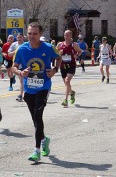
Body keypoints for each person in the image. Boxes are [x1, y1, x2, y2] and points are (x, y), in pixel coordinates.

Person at [12, 22, 62, 162]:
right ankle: (44, 139)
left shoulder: (48, 47)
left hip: (43, 87)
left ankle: (37, 150)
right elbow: (14, 67)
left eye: (35, 34)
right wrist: (21, 72)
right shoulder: (21, 49)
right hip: (28, 89)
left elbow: (58, 58)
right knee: (35, 119)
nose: (32, 36)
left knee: (37, 115)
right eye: (29, 33)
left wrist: (54, 70)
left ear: (40, 34)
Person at [56, 30, 82, 107]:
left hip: (71, 66)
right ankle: (72, 92)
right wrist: (58, 53)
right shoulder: (60, 44)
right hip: (63, 66)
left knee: (67, 81)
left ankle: (65, 100)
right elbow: (55, 53)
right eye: (65, 35)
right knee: (66, 84)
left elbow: (80, 51)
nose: (66, 37)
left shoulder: (74, 44)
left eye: (67, 35)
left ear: (71, 36)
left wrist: (77, 55)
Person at [8, 33, 25, 101]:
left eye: (20, 37)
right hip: (16, 64)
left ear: (23, 38)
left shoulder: (26, 44)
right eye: (18, 37)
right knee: (21, 80)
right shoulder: (14, 45)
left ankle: (22, 95)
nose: (19, 38)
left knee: (23, 80)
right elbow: (9, 54)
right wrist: (15, 52)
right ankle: (21, 95)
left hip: (25, 64)